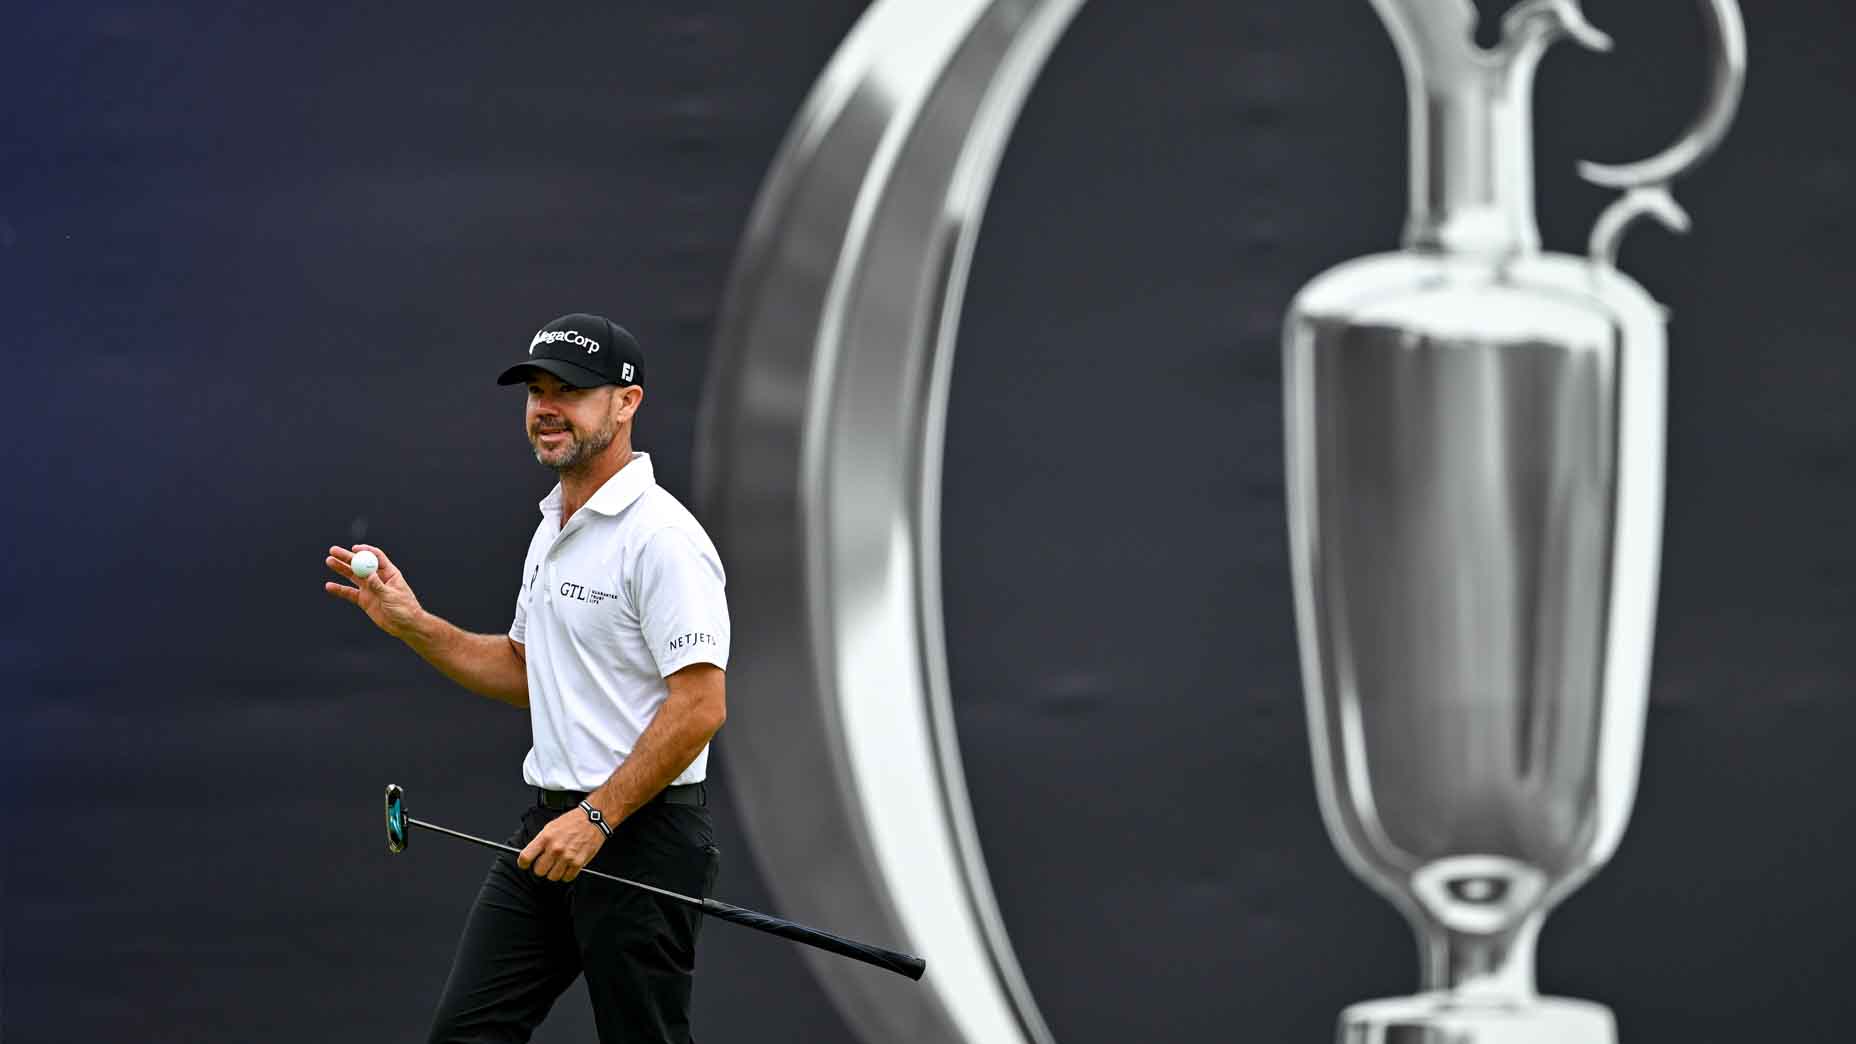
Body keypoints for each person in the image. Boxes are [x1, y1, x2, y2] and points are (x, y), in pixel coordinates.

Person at [323, 313, 730, 1044]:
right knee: (468, 1035)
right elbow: (523, 670)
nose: (546, 408)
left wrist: (599, 817)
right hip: (550, 829)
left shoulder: (663, 540)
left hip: (640, 834)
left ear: (626, 402)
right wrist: (415, 624)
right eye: (536, 391)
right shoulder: (553, 527)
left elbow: (700, 706)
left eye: (569, 391)